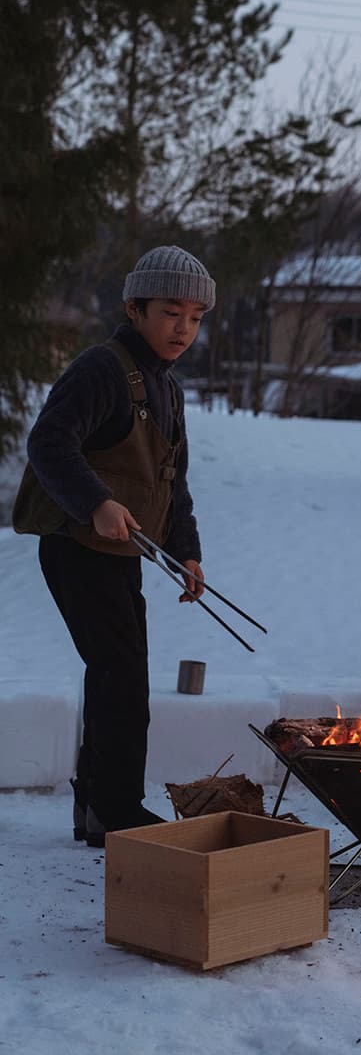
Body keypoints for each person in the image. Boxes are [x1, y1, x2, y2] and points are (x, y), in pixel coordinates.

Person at [13, 246, 215, 847]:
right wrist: (96, 503)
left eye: (196, 317)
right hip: (77, 549)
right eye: (171, 312)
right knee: (122, 679)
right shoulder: (102, 369)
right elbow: (49, 444)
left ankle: (95, 810)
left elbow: (170, 481)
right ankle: (117, 811)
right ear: (135, 308)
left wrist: (188, 553)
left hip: (125, 557)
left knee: (116, 677)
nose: (184, 328)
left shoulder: (167, 389)